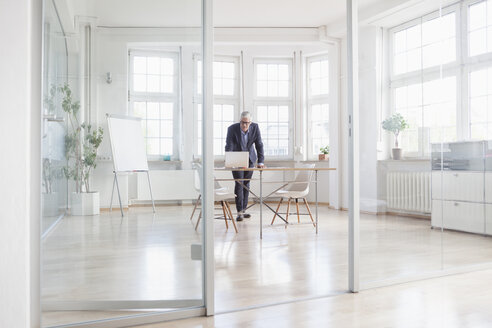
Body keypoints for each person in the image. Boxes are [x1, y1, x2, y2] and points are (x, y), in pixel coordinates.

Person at [225, 111, 264, 221]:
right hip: (237, 160)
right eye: (242, 122)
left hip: (250, 160)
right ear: (240, 121)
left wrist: (260, 162)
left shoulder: (255, 128)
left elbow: (259, 145)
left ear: (250, 123)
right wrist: (230, 161)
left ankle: (244, 210)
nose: (244, 125)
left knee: (246, 184)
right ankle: (239, 212)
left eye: (246, 123)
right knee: (239, 184)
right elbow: (229, 146)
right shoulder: (232, 129)